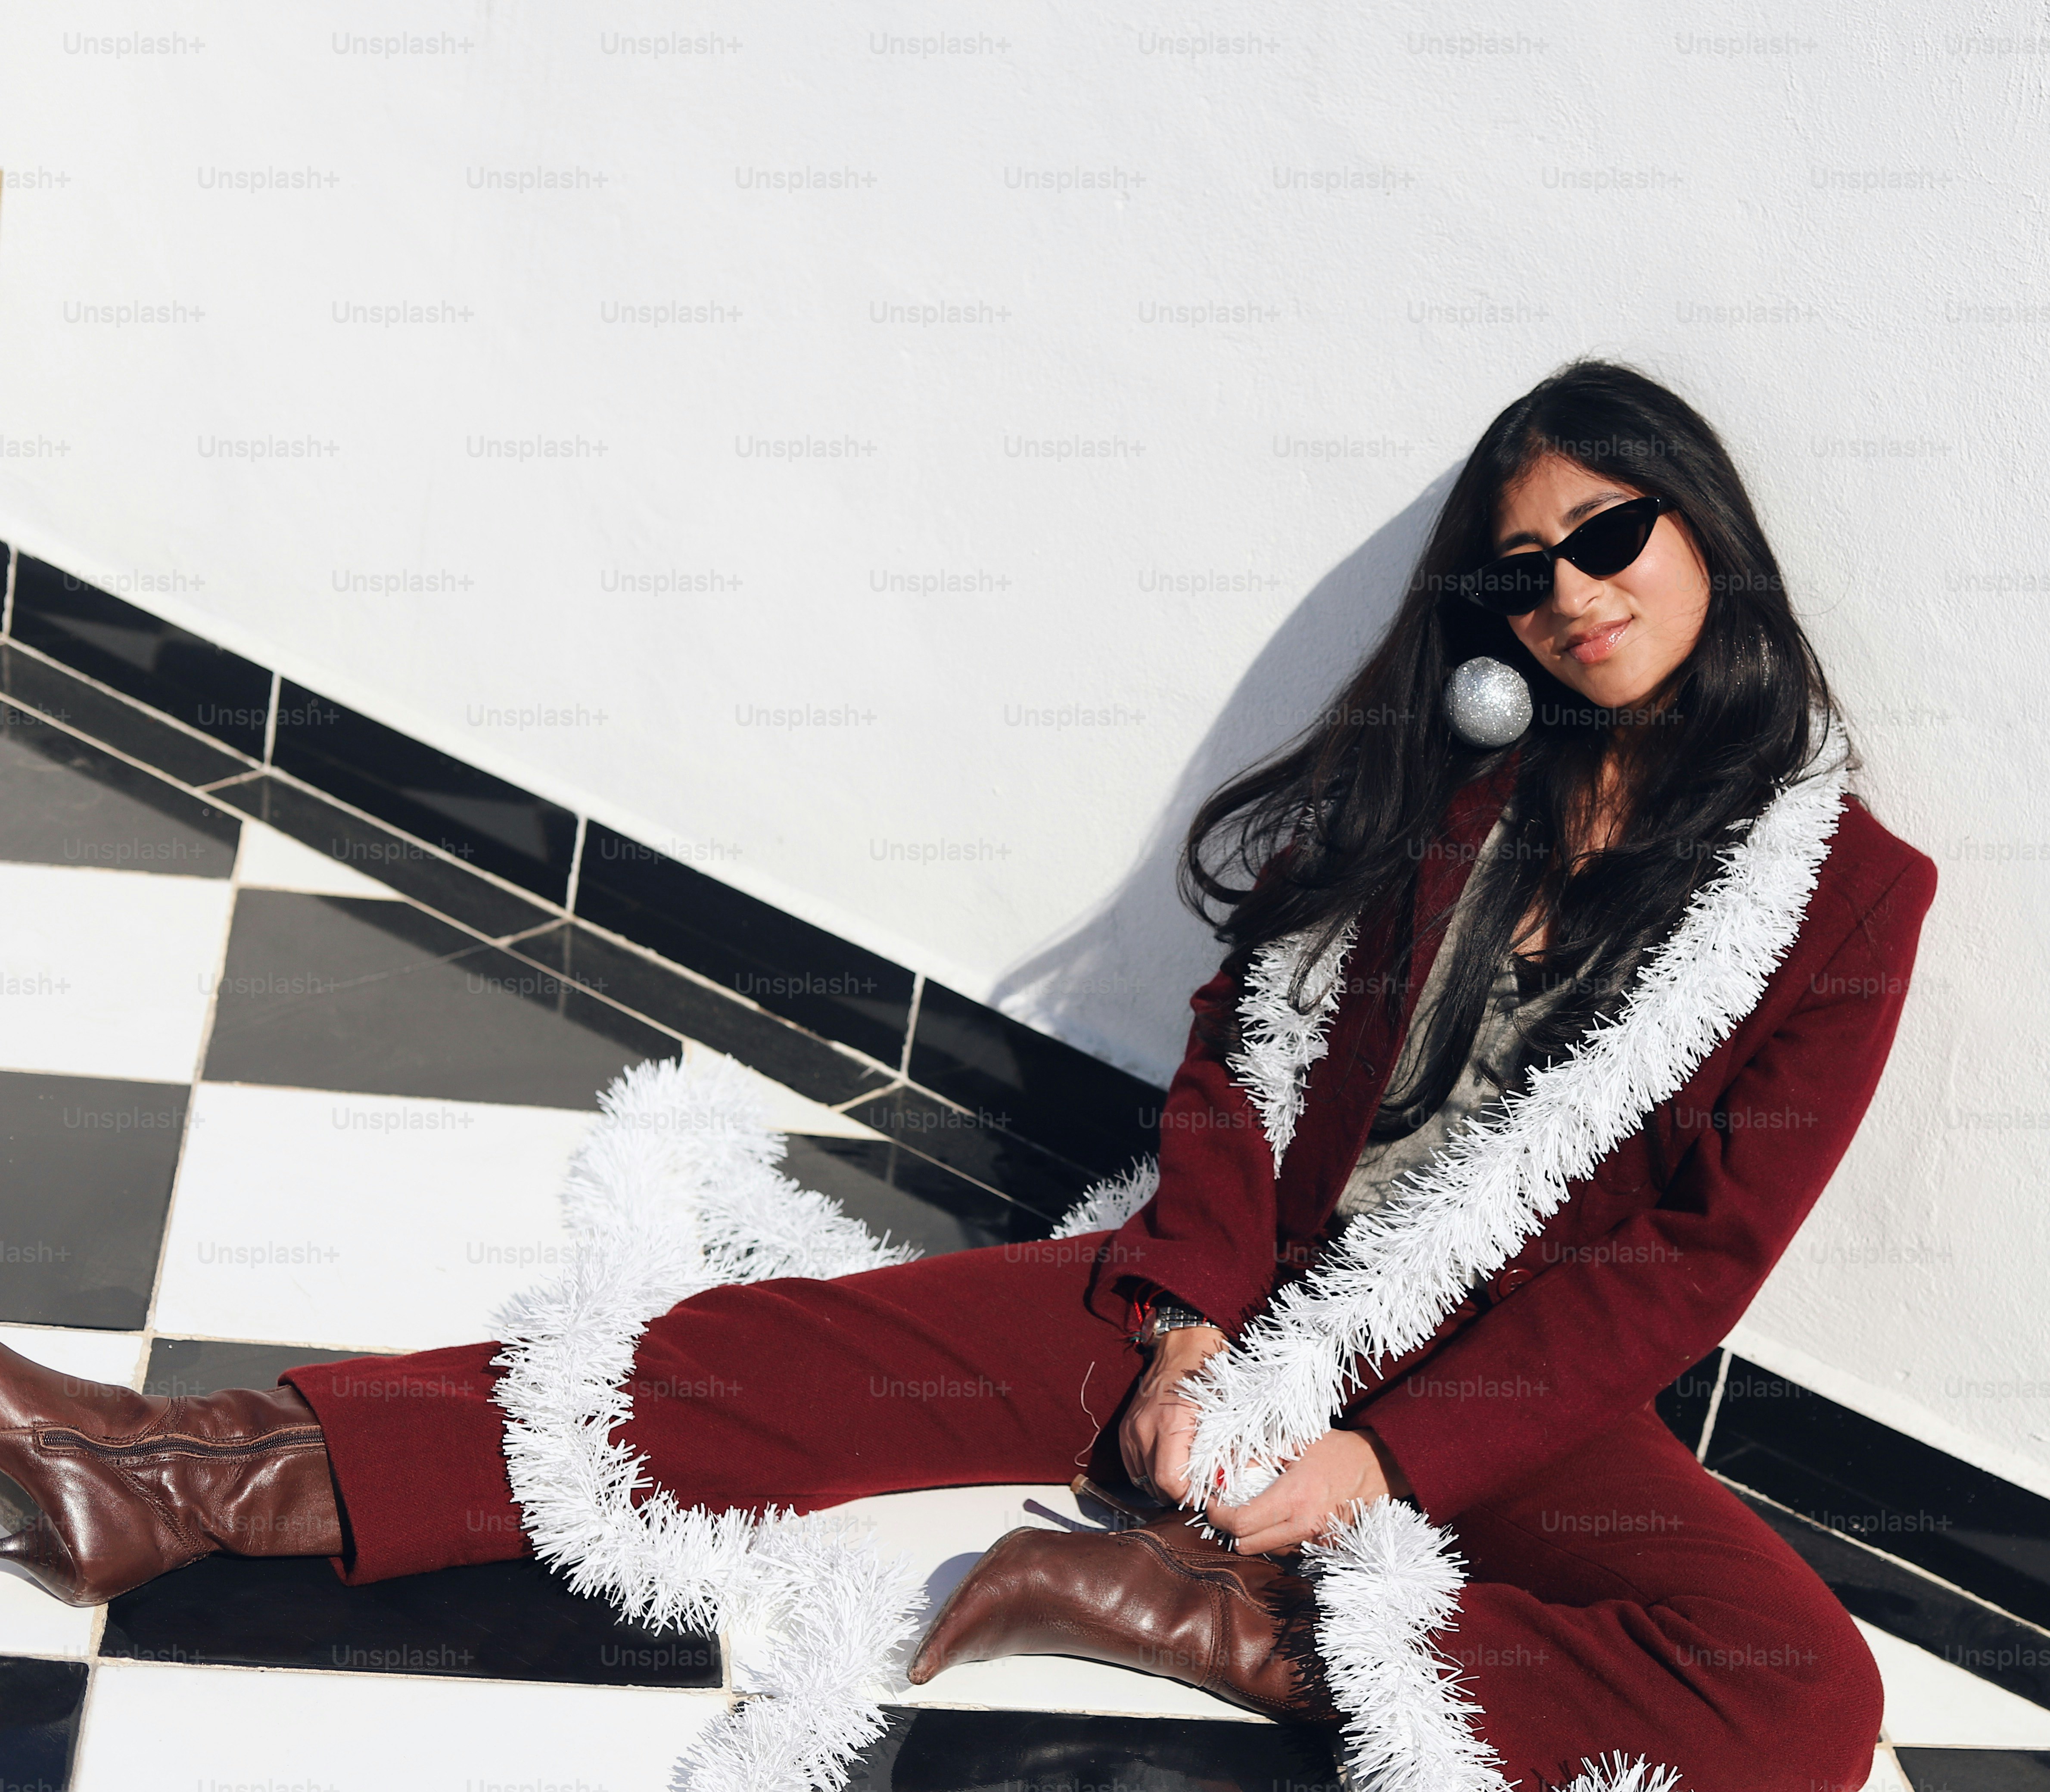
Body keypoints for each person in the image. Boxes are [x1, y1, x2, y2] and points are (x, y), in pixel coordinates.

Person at [0, 361, 1937, 1792]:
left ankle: (1216, 1622)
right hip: (1238, 1281)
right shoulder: (1461, 769)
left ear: (1707, 534)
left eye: (1614, 536)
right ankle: (173, 1478)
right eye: (1526, 571)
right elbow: (1247, 1043)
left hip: (1494, 1382)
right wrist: (1185, 1316)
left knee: (1803, 1691)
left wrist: (1379, 1461)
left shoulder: (1840, 894)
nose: (1576, 594)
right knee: (760, 1359)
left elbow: (1690, 1263)